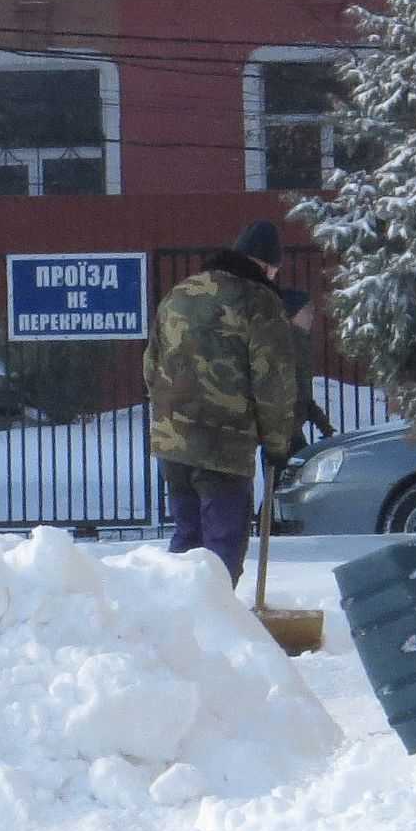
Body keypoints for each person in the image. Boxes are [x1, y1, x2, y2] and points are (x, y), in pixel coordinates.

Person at [145, 219, 302, 580]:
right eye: (275, 270)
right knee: (222, 546)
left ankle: (172, 621)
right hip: (223, 445)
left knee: (187, 539)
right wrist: (278, 442)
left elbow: (151, 363)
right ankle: (211, 627)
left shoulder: (180, 293)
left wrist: (169, 415)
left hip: (173, 442)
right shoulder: (259, 301)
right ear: (265, 264)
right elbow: (273, 380)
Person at [280, 288, 337, 453]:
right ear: (292, 313)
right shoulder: (285, 344)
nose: (311, 316)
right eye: (306, 311)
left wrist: (324, 425)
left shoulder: (300, 342)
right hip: (283, 431)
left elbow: (304, 396)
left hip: (290, 431)